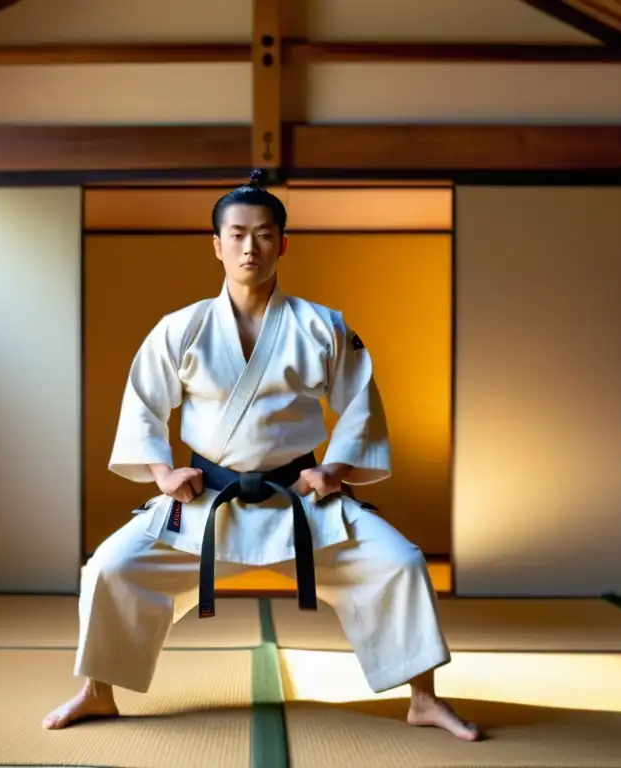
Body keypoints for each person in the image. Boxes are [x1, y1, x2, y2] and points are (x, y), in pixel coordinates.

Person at [42, 170, 480, 741]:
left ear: (283, 243)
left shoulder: (323, 326)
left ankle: (423, 698)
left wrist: (335, 470)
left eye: (266, 234)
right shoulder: (182, 328)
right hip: (208, 500)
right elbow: (143, 406)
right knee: (109, 567)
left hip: (299, 498)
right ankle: (97, 692)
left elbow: (360, 406)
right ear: (217, 245)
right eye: (239, 234)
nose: (252, 246)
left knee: (400, 563)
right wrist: (162, 472)